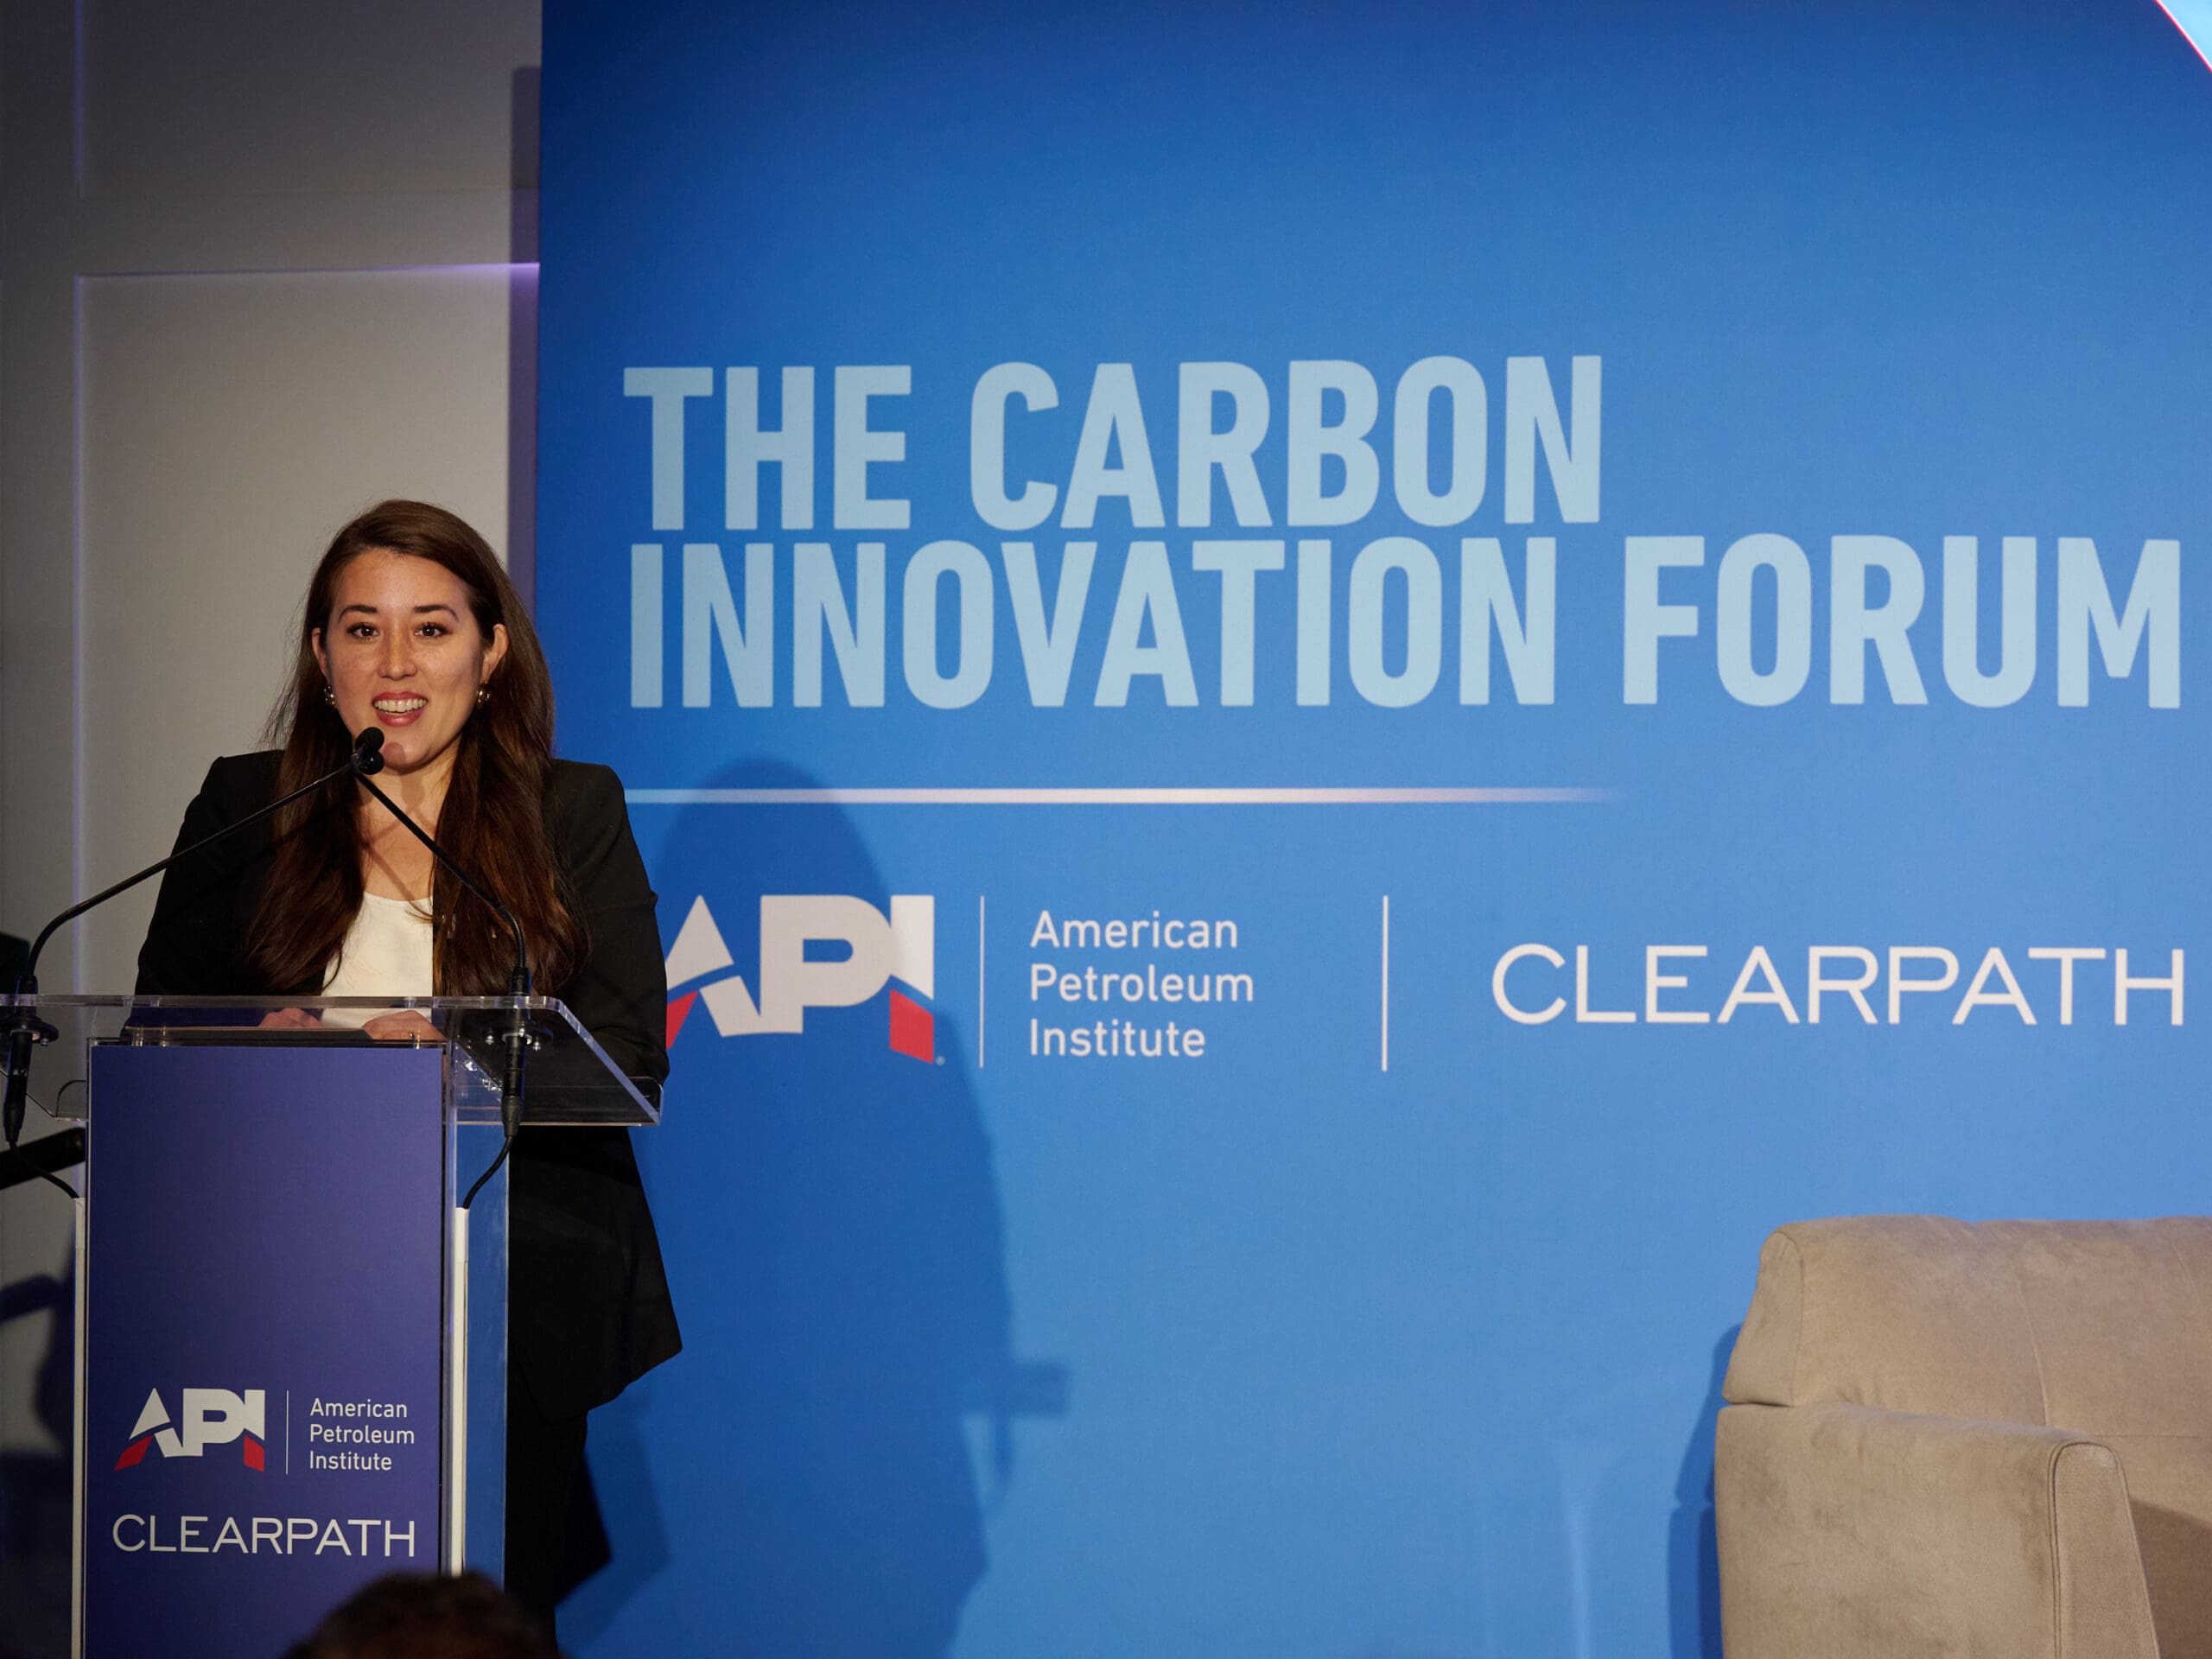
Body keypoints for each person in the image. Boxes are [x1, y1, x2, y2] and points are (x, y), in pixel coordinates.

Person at [134, 499, 680, 1633]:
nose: (395, 664)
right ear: (320, 654)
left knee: (484, 1625)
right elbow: (154, 1039)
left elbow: (627, 1055)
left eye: (431, 628)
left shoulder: (568, 811)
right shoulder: (248, 806)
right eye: (361, 629)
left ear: (491, 652)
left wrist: (455, 1062)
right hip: (269, 1300)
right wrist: (252, 1049)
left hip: (507, 1300)